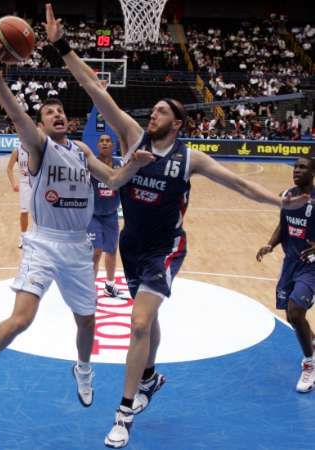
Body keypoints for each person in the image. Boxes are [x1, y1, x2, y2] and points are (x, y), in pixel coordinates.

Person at [44, 5, 310, 448]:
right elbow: (93, 87)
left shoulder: (192, 159)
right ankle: (148, 376)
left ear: (178, 122)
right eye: (153, 110)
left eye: (162, 112)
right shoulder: (131, 135)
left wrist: (282, 201)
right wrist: (61, 45)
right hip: (132, 244)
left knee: (140, 322)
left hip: (167, 247)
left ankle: (123, 415)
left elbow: (242, 185)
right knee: (148, 322)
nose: (153, 115)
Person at [0, 34, 154, 409]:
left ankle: (82, 368)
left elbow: (111, 180)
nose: (58, 114)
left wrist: (133, 164)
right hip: (43, 242)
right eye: (49, 113)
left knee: (87, 322)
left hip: (79, 244)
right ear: (41, 124)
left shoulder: (80, 150)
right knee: (21, 319)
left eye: (61, 111)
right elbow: (15, 113)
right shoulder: (38, 146)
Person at [256, 156, 315, 393]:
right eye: (296, 167)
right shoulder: (287, 196)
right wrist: (270, 245)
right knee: (292, 318)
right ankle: (312, 343)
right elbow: (283, 225)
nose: (297, 170)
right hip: (290, 263)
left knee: (295, 310)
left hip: (311, 267)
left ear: (313, 172)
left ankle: (309, 364)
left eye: (303, 167)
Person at [88, 134, 125, 297]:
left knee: (111, 250)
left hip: (111, 215)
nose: (104, 143)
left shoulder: (120, 164)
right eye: (101, 141)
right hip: (93, 215)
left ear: (113, 145)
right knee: (96, 251)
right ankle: (89, 289)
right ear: (97, 145)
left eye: (107, 141)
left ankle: (109, 286)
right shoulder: (91, 164)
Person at [6, 145, 31, 248]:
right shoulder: (17, 150)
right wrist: (13, 184)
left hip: (38, 182)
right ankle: (23, 236)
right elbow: (9, 168)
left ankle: (40, 238)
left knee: (40, 213)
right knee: (24, 211)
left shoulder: (38, 148)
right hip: (24, 183)